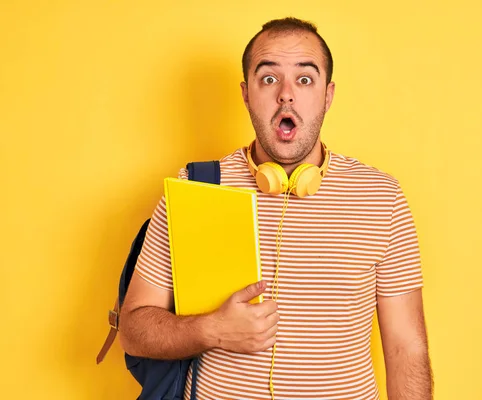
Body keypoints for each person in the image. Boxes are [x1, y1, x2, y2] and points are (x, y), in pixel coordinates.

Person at [119, 17, 433, 400]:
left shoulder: (382, 198)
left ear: (328, 95)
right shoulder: (195, 186)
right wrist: (211, 330)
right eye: (269, 79)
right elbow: (134, 331)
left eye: (304, 79)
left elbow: (406, 349)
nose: (286, 94)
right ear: (246, 93)